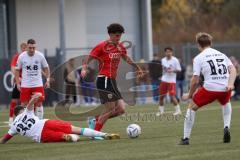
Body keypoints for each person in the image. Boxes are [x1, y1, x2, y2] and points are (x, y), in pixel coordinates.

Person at [81, 23, 143, 134]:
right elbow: (88, 58)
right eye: (116, 36)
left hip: (112, 81)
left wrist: (137, 67)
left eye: (120, 36)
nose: (118, 38)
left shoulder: (120, 47)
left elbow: (126, 58)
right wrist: (84, 69)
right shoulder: (101, 46)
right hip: (104, 79)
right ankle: (95, 133)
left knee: (121, 109)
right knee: (109, 109)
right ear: (110, 34)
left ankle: (94, 119)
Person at [179, 32, 236, 145]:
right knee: (226, 102)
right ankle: (226, 127)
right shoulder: (222, 54)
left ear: (198, 45)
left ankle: (185, 139)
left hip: (210, 89)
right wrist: (230, 84)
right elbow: (233, 69)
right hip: (225, 88)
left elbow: (195, 80)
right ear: (211, 43)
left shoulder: (198, 58)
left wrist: (189, 95)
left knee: (191, 108)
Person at [0, 93, 120, 144]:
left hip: (41, 136)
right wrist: (35, 98)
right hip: (46, 123)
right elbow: (30, 105)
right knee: (76, 129)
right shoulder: (26, 112)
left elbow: (4, 139)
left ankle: (67, 137)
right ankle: (104, 134)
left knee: (66, 137)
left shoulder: (14, 126)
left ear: (16, 115)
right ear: (21, 110)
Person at [15, 39, 50, 119]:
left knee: (39, 103)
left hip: (37, 84)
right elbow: (17, 70)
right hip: (25, 84)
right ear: (27, 47)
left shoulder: (40, 56)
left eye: (33, 48)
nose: (32, 50)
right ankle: (23, 122)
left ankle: (39, 122)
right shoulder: (22, 56)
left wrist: (48, 80)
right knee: (24, 104)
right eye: (30, 48)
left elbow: (46, 68)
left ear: (36, 47)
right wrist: (17, 83)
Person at [156, 47, 182, 116]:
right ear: (165, 53)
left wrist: (172, 70)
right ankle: (161, 111)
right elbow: (163, 69)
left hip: (171, 81)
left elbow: (179, 70)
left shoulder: (175, 60)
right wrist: (162, 75)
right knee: (161, 96)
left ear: (172, 52)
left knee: (172, 96)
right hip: (164, 80)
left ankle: (178, 110)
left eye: (170, 52)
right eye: (167, 52)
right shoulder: (163, 60)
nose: (168, 53)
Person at [9, 42, 27, 126]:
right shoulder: (17, 57)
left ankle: (27, 118)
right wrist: (17, 78)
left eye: (25, 47)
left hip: (28, 82)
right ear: (20, 48)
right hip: (19, 81)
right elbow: (13, 68)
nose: (24, 49)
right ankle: (11, 119)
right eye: (22, 48)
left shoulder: (30, 57)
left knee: (27, 101)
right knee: (14, 100)